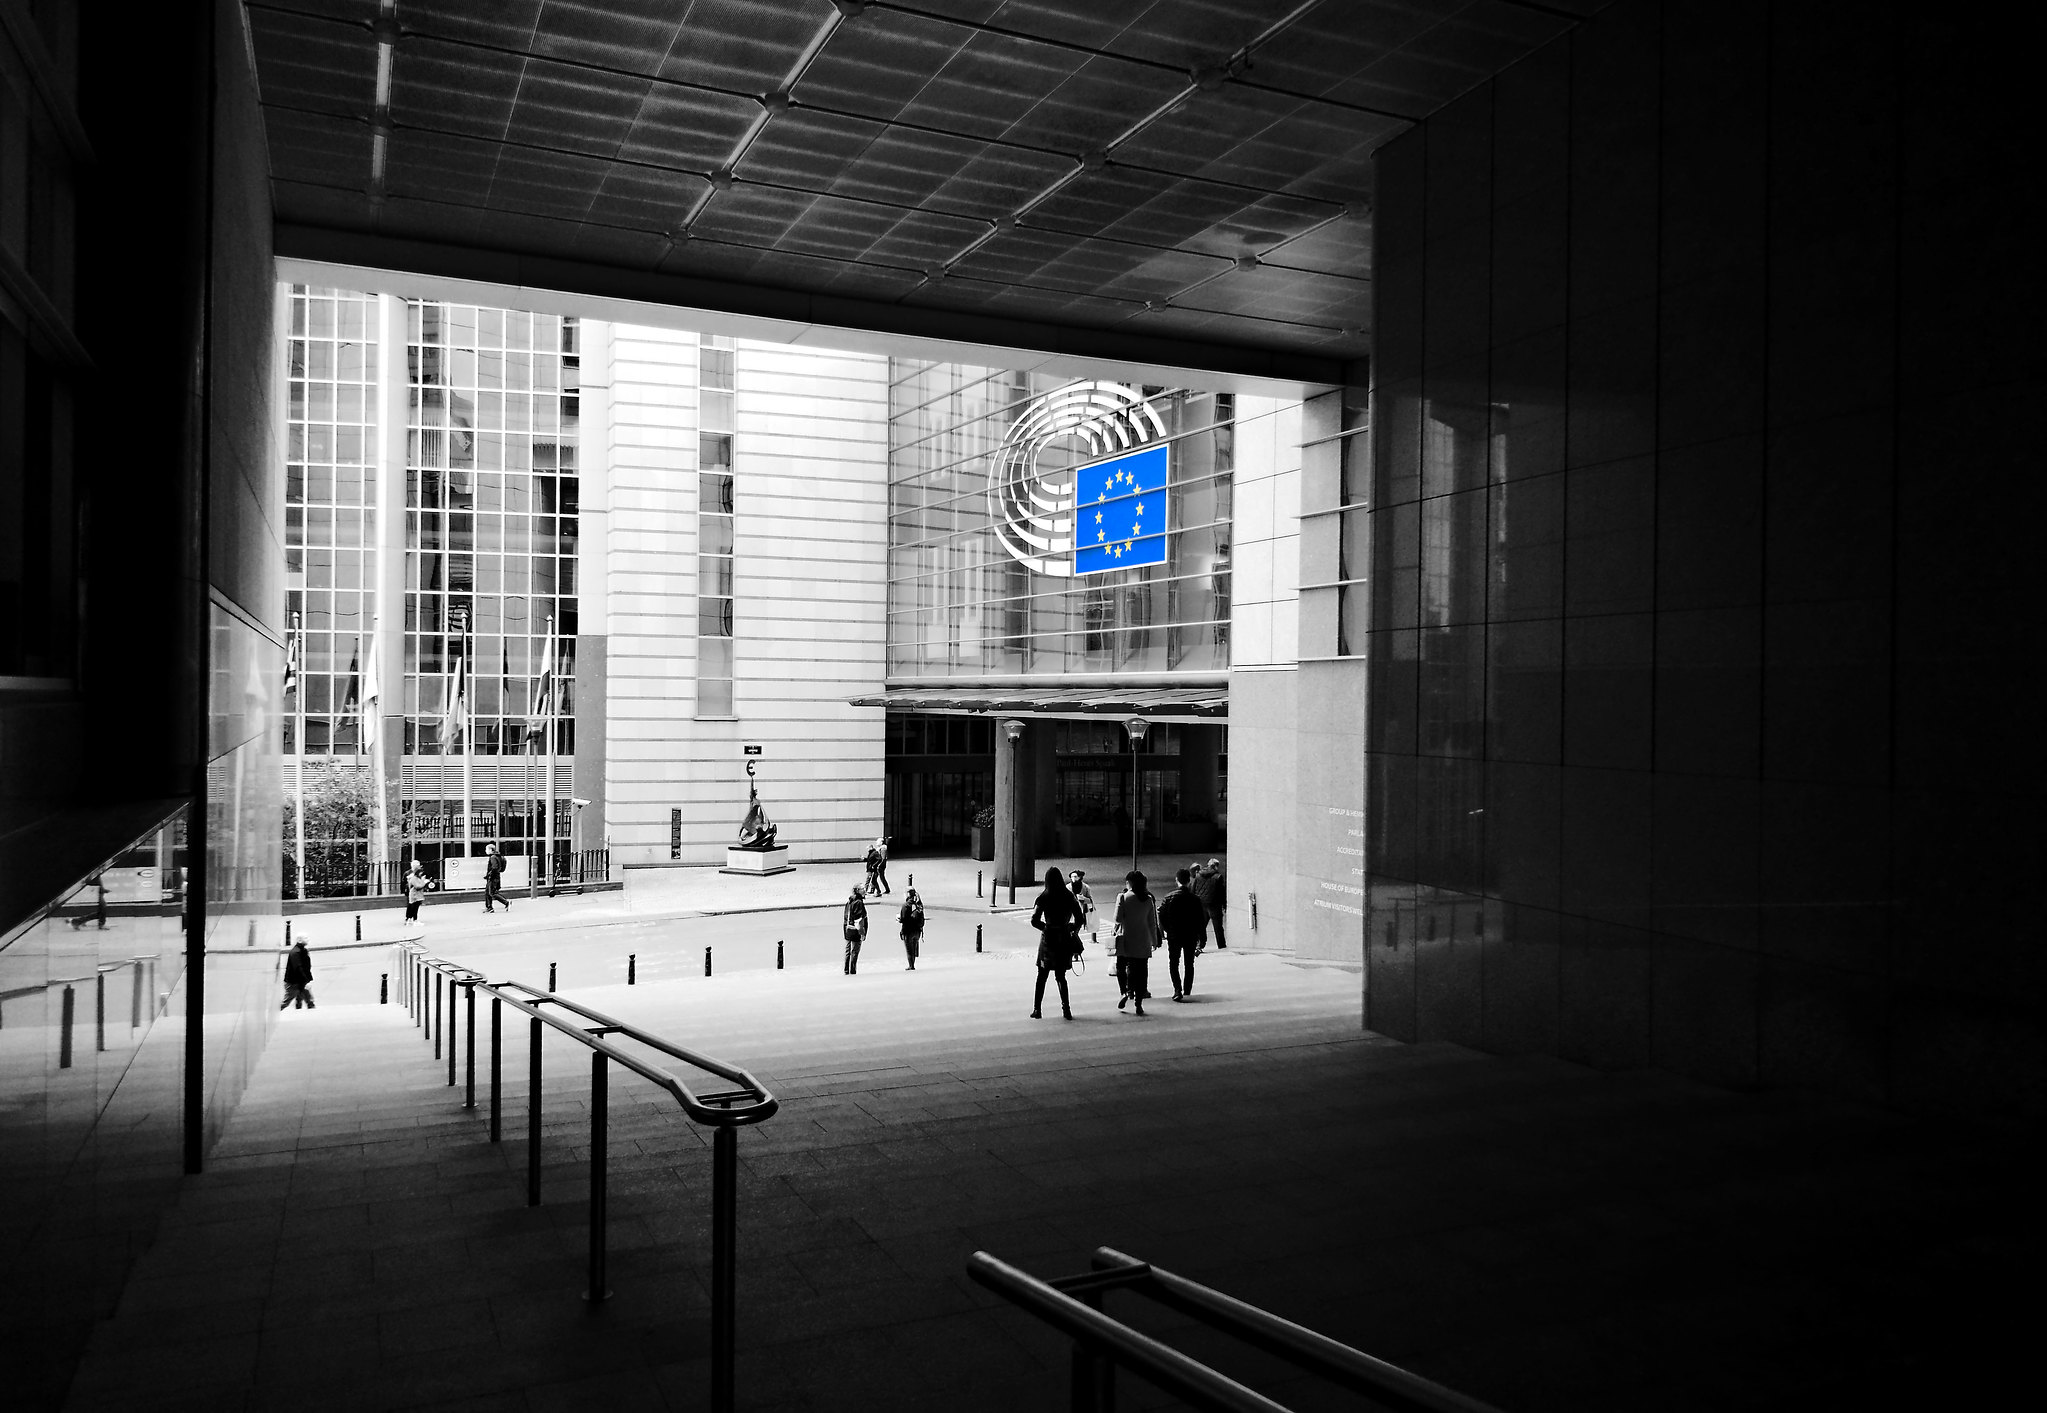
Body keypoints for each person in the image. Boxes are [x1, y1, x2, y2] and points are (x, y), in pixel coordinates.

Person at [1028, 866, 1083, 1019]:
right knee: (1061, 976)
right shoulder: (1069, 896)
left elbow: (1034, 920)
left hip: (1048, 939)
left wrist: (1045, 927)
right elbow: (1080, 918)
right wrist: (1070, 927)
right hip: (1064, 938)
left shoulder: (1044, 897)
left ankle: (1037, 1009)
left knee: (1042, 975)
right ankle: (1066, 1009)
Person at [1112, 870, 1160, 1016]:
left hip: (1126, 939)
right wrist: (1154, 941)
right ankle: (1138, 1003)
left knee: (1122, 967)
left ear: (1129, 883)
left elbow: (1117, 919)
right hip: (1143, 941)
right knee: (1141, 971)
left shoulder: (1124, 897)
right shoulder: (1148, 899)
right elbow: (1152, 922)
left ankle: (1125, 991)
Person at [1158, 867, 1210, 1001]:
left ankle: (1177, 989)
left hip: (1174, 935)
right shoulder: (1195, 899)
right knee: (1189, 963)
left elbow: (1161, 915)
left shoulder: (1169, 897)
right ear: (1189, 881)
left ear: (1177, 880)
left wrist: (1166, 930)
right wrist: (1202, 939)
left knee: (1174, 962)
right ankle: (1187, 989)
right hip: (1190, 935)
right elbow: (1201, 920)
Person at [1193, 857, 1227, 949]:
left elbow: (1193, 889)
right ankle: (1221, 946)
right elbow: (1221, 893)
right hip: (1214, 904)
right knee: (1218, 927)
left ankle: (1199, 944)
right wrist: (1224, 905)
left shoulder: (1198, 875)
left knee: (1201, 926)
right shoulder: (1218, 877)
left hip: (1201, 904)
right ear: (1215, 866)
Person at [281, 939, 315, 1010]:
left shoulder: (303, 951)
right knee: (287, 1001)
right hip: (293, 982)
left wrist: (307, 979)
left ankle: (304, 1009)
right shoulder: (295, 952)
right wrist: (305, 979)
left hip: (300, 981)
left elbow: (306, 966)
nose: (307, 941)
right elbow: (297, 968)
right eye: (305, 939)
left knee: (307, 999)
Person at [842, 883, 868, 974]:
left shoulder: (849, 902)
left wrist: (845, 930)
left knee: (848, 950)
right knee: (855, 951)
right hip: (856, 930)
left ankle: (846, 969)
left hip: (848, 929)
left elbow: (846, 917)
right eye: (862, 889)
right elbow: (859, 920)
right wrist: (862, 933)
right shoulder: (859, 903)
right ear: (857, 891)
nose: (864, 890)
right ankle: (852, 969)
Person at [898, 886, 924, 970]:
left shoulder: (906, 905)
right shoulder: (918, 904)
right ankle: (913, 964)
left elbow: (903, 919)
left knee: (909, 949)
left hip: (908, 930)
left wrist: (899, 919)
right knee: (914, 946)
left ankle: (911, 965)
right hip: (917, 930)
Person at [1069, 869, 1096, 944]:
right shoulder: (1067, 887)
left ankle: (1075, 951)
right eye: (1072, 877)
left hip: (1080, 914)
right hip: (1069, 914)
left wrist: (1084, 899)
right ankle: (1075, 949)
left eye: (1075, 877)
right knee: (1071, 933)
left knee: (1075, 932)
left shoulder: (1086, 888)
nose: (1073, 879)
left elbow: (1091, 901)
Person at [483, 843, 509, 913]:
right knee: (487, 893)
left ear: (491, 850)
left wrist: (489, 875)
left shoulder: (493, 857)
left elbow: (494, 867)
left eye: (486, 849)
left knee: (492, 893)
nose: (485, 851)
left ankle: (506, 902)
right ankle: (489, 907)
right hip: (496, 877)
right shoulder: (498, 856)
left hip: (493, 877)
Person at [404, 860, 430, 928]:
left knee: (413, 907)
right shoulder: (413, 878)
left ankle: (410, 920)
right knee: (413, 907)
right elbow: (418, 886)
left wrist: (423, 881)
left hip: (415, 894)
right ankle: (412, 920)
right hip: (415, 895)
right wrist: (424, 882)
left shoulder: (415, 878)